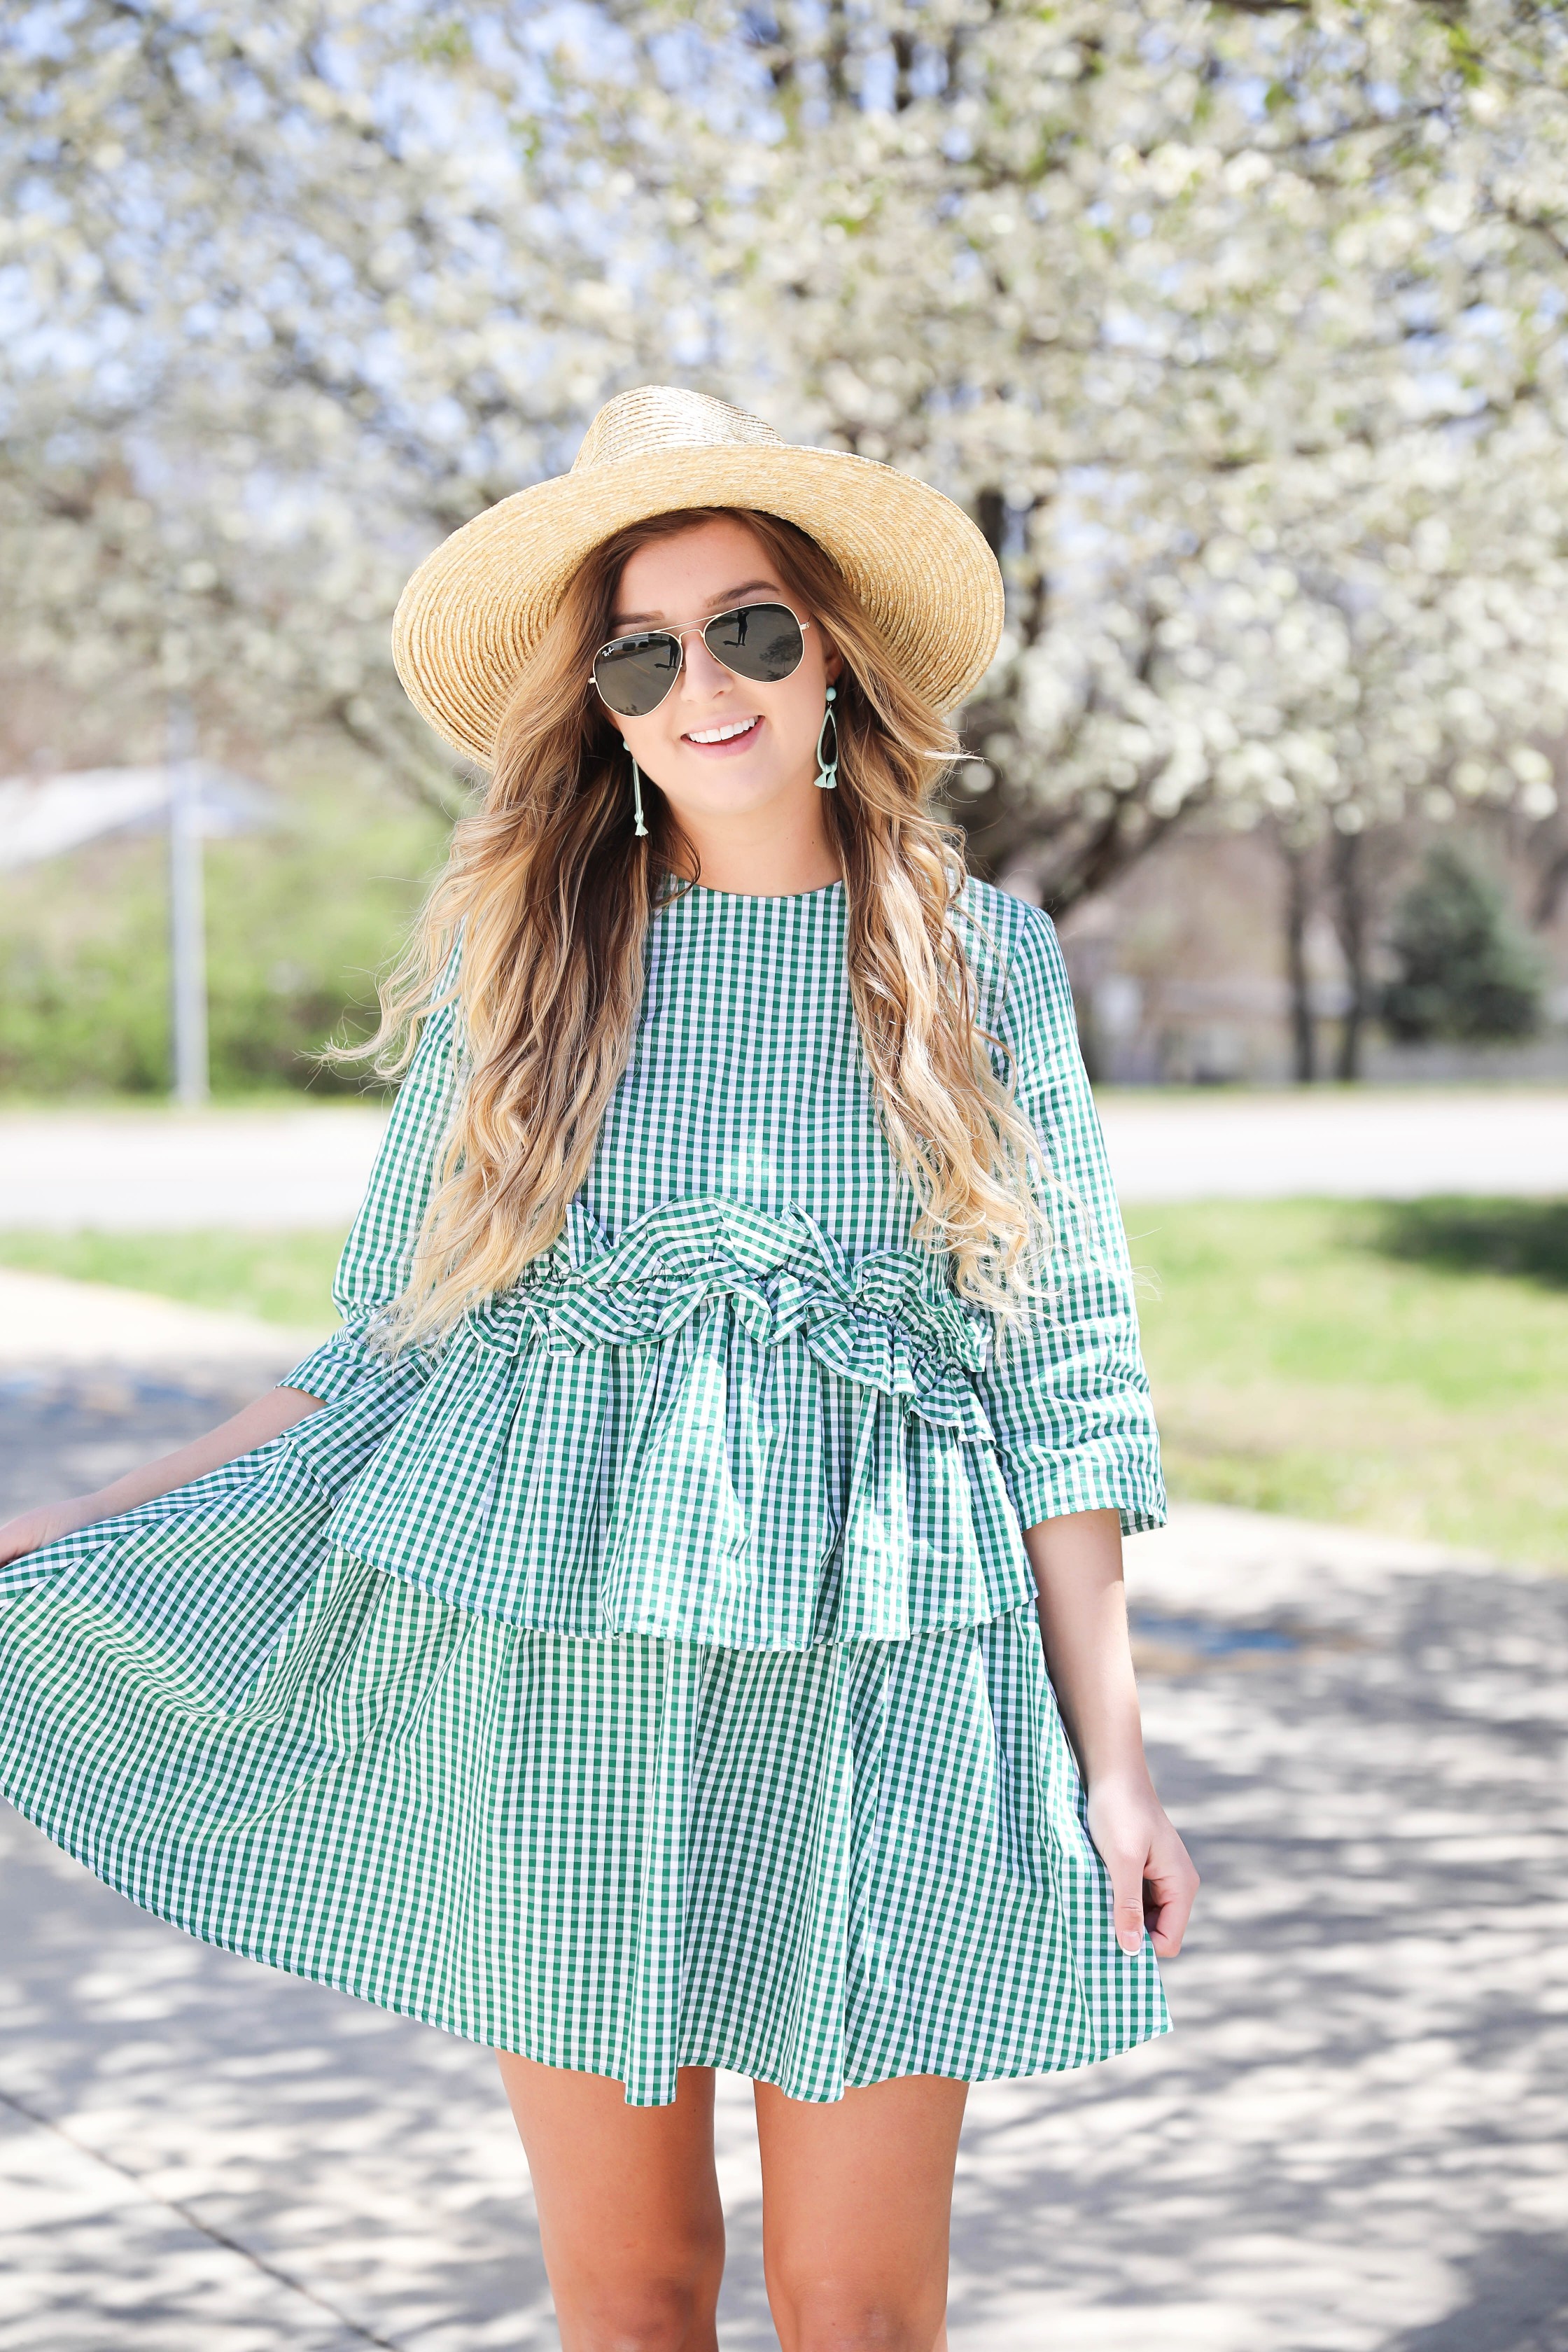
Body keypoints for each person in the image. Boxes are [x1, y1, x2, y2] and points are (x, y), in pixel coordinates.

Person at [0, 385, 1198, 2352]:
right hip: (566, 1701)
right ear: (604, 707)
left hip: (882, 1688)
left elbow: (1065, 1375)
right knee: (632, 2298)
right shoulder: (536, 969)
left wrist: (1122, 1767)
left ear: (834, 656)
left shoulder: (988, 958)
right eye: (641, 651)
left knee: (859, 2303)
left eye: (749, 626)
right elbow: (381, 1344)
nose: (701, 685)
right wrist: (84, 1515)